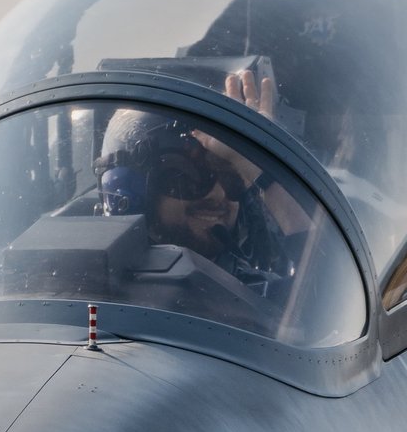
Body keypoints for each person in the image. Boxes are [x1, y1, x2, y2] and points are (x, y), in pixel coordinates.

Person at [95, 105, 290, 294]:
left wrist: (267, 172)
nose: (218, 195)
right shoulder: (82, 290)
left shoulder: (260, 297)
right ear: (131, 187)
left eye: (231, 177)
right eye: (185, 175)